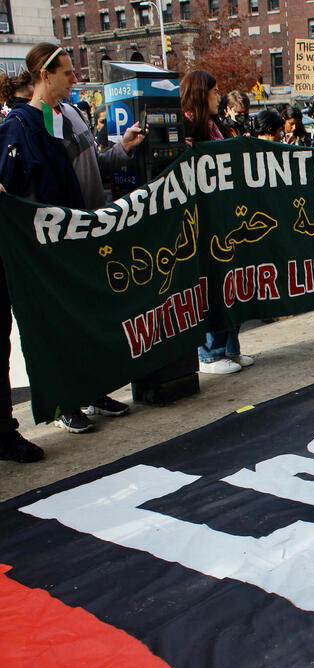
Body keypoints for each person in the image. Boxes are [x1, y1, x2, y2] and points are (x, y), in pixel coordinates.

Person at [0, 43, 145, 444]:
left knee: (84, 317)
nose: (75, 79)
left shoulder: (67, 117)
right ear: (45, 76)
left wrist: (121, 151)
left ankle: (92, 390)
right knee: (55, 325)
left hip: (76, 236)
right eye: (66, 72)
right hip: (44, 249)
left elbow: (89, 167)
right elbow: (10, 192)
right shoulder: (21, 125)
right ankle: (67, 403)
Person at [179, 70, 258, 375]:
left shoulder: (216, 126)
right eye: (213, 92)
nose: (218, 96)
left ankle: (230, 347)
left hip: (226, 219)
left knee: (230, 280)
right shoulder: (187, 126)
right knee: (212, 282)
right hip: (204, 220)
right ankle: (210, 352)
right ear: (201, 94)